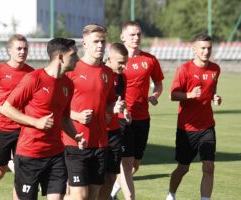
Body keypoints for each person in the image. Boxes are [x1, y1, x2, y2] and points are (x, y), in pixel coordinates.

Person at [1, 37, 86, 200]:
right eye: (74, 55)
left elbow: (65, 118)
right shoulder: (34, 79)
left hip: (56, 155)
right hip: (30, 154)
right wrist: (36, 122)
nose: (78, 59)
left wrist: (75, 136)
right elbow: (7, 108)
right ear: (60, 57)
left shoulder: (68, 84)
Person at [62, 24, 126, 200]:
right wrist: (77, 116)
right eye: (96, 41)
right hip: (75, 141)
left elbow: (109, 102)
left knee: (94, 196)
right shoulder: (71, 70)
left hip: (100, 142)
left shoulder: (107, 72)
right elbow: (57, 106)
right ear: (85, 44)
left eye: (103, 41)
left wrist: (113, 108)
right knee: (80, 196)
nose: (100, 45)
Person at [111, 21, 164, 200]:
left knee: (135, 164)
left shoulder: (150, 60)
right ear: (122, 37)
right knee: (126, 163)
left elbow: (158, 83)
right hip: (122, 117)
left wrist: (155, 95)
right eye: (132, 34)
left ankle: (111, 193)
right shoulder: (115, 60)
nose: (136, 38)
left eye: (138, 34)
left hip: (143, 117)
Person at [166, 34, 222, 200]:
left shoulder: (215, 69)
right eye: (203, 48)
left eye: (209, 48)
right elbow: (172, 95)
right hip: (187, 128)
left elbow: (212, 89)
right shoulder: (184, 69)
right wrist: (189, 95)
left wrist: (215, 97)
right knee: (183, 167)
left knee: (209, 166)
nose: (206, 51)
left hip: (207, 127)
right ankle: (171, 194)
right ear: (194, 49)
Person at [0, 34, 35, 200]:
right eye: (19, 48)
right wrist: (1, 109)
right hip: (2, 128)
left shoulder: (32, 73)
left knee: (22, 171)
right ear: (9, 50)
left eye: (25, 49)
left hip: (24, 130)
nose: (22, 52)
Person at [98, 43, 131, 200]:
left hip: (114, 131)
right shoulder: (99, 75)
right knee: (96, 177)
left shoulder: (122, 78)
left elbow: (120, 100)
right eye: (120, 63)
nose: (124, 66)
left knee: (111, 175)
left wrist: (124, 111)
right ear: (109, 59)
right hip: (97, 131)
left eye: (125, 62)